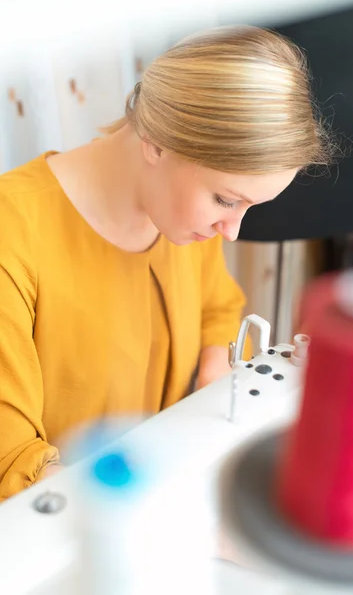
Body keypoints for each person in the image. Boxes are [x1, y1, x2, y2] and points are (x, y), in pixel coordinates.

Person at [0, 25, 331, 500]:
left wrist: (218, 392)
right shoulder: (12, 235)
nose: (232, 230)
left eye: (248, 207)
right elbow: (11, 460)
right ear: (155, 141)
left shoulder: (180, 215)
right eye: (224, 199)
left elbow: (215, 311)